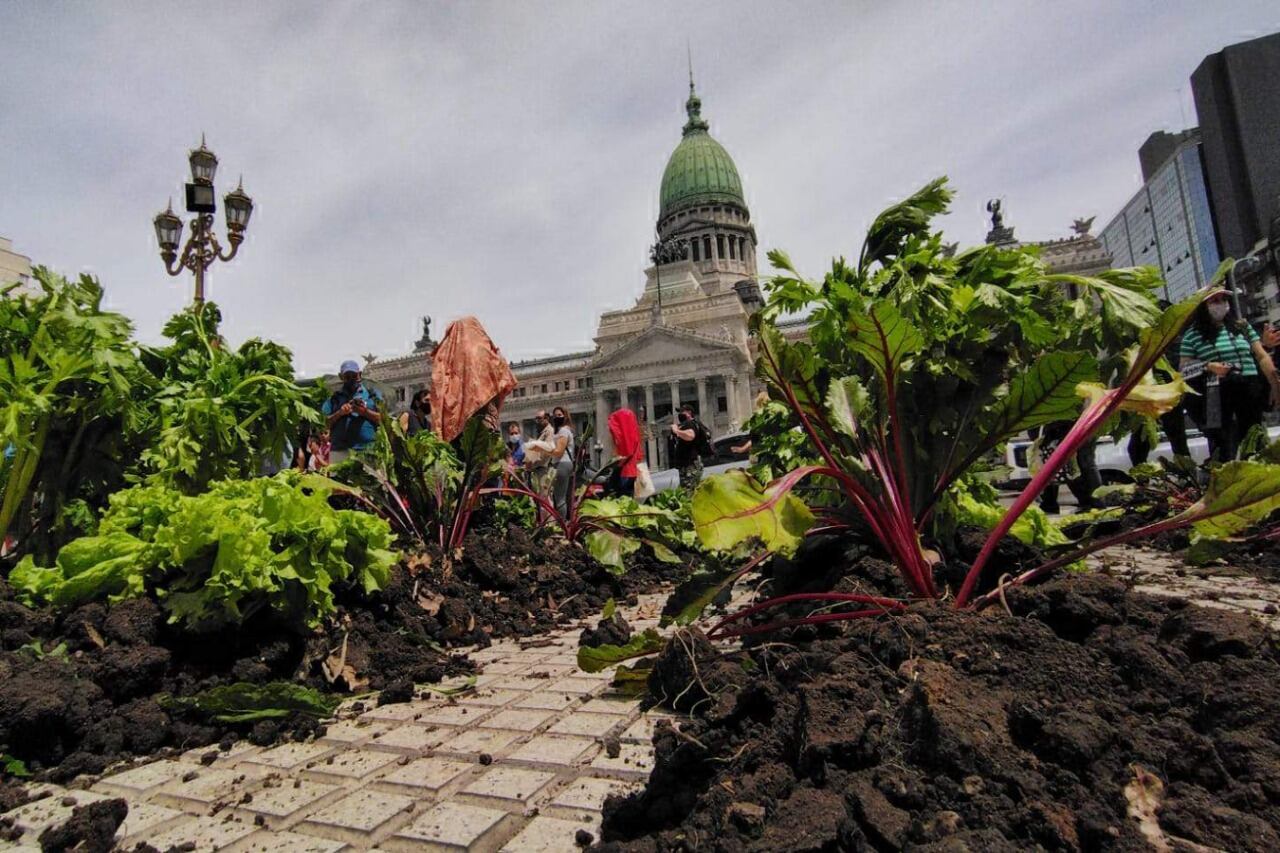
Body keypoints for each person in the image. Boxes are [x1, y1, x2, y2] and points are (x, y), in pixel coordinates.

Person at [1180, 289, 1280, 462]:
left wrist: (1275, 384)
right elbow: (1184, 369)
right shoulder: (1192, 335)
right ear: (1204, 306)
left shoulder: (1241, 326)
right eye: (1214, 301)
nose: (1221, 304)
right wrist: (1208, 366)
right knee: (1221, 441)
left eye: (1223, 299)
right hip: (1214, 392)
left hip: (1248, 386)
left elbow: (1262, 356)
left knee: (1254, 435)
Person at [322, 360, 383, 463]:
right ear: (341, 377)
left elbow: (383, 420)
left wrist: (364, 412)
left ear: (359, 374)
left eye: (354, 376)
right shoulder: (334, 399)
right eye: (347, 377)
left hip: (368, 451)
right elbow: (324, 423)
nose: (351, 379)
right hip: (340, 452)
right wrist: (340, 413)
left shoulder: (372, 394)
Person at [670, 404, 710, 492]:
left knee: (689, 493)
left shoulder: (690, 423)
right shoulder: (690, 424)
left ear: (689, 413)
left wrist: (677, 431)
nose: (679, 414)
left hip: (690, 465)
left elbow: (691, 435)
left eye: (681, 412)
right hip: (688, 464)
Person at [606, 407, 643, 497]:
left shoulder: (622, 441)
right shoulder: (635, 438)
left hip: (624, 473)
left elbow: (617, 456)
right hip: (635, 471)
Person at [549, 406, 576, 517]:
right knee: (561, 497)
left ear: (565, 415)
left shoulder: (564, 430)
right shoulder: (561, 430)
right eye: (555, 416)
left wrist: (543, 448)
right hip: (562, 463)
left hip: (562, 463)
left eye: (559, 415)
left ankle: (562, 524)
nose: (557, 417)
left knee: (559, 498)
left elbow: (559, 451)